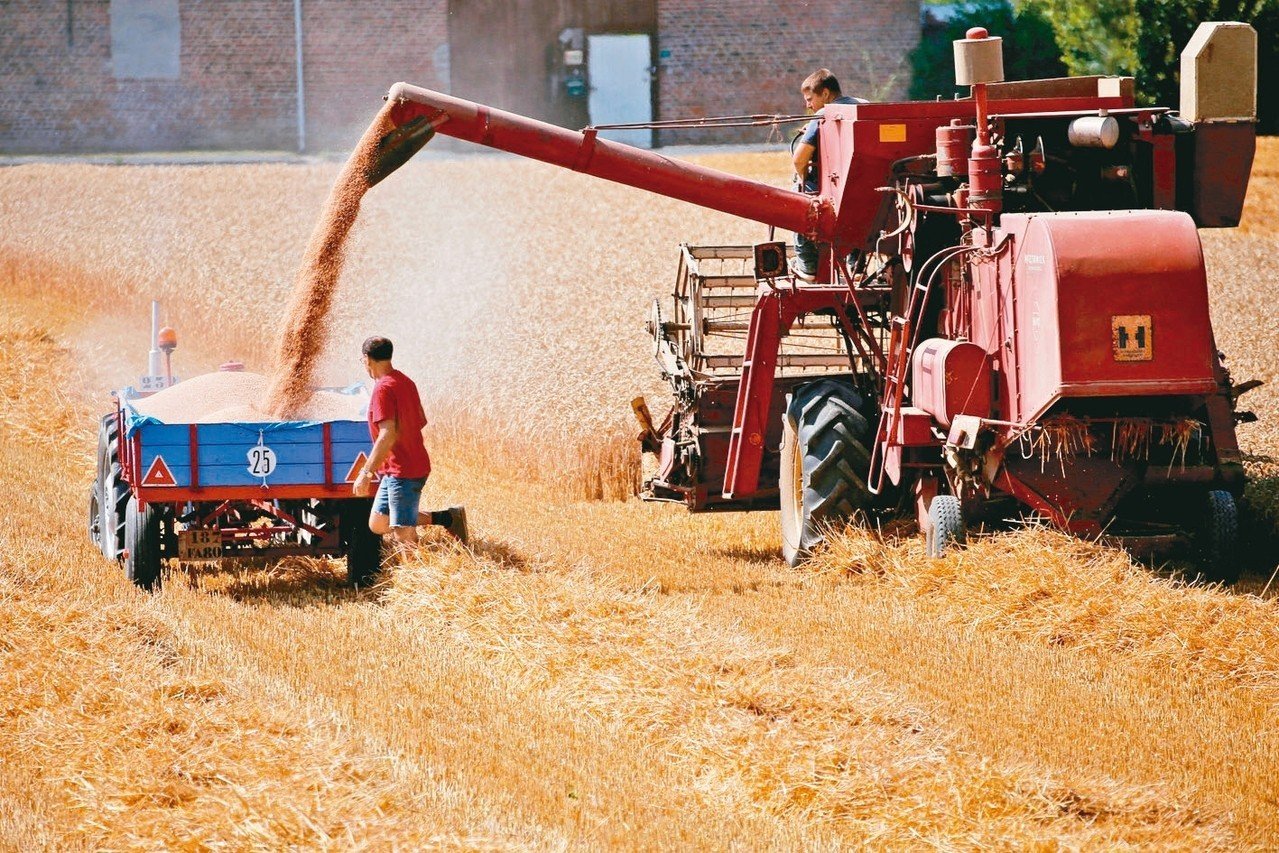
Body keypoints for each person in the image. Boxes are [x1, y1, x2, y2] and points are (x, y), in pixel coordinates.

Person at [352, 336, 468, 560]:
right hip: (404, 465)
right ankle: (447, 518)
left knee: (402, 532)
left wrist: (366, 473)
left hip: (402, 470)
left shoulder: (382, 389)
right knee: (378, 522)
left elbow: (387, 433)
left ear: (367, 359)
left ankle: (416, 579)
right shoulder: (405, 381)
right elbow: (420, 420)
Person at [791, 69, 866, 279]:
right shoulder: (864, 105)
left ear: (824, 94)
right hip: (869, 189)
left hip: (836, 191)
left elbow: (799, 159)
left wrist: (802, 176)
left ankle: (807, 264)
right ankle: (855, 265)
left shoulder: (824, 113)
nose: (807, 105)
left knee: (799, 196)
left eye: (809, 99)